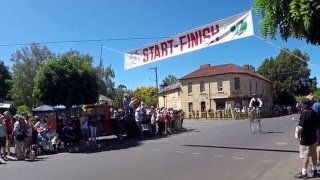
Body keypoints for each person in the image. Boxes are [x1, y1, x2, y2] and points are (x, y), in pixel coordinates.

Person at [294, 98, 320, 178]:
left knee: (305, 155)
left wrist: (297, 135)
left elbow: (300, 127)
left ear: (304, 105)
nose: (301, 107)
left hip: (305, 138)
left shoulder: (304, 113)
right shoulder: (314, 113)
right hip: (313, 137)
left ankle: (304, 172)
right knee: (314, 155)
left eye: (301, 105)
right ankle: (315, 170)